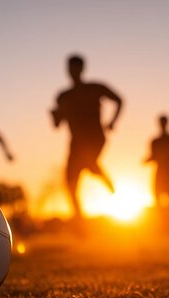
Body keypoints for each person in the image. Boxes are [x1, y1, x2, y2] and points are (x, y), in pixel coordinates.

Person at [51, 55, 123, 219]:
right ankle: (79, 220)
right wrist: (54, 116)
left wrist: (113, 122)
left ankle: (102, 175)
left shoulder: (95, 87)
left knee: (88, 163)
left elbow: (119, 100)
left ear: (82, 68)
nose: (73, 71)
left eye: (76, 67)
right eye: (70, 68)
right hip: (75, 143)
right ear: (67, 70)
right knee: (70, 183)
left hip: (95, 138)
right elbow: (57, 125)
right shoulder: (63, 96)